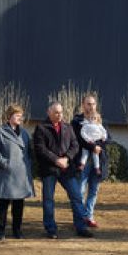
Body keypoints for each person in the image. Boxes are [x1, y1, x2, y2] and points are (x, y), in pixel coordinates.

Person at [35, 101, 93, 238]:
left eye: (61, 112)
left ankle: (81, 227)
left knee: (77, 197)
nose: (59, 115)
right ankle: (51, 229)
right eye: (56, 112)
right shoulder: (41, 128)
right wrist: (56, 160)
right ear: (49, 112)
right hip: (49, 169)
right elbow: (40, 149)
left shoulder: (68, 127)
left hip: (67, 169)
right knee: (48, 200)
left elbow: (75, 145)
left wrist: (66, 158)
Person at [0, 104, 35, 240]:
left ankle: (17, 230)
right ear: (9, 117)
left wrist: (28, 165)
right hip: (6, 173)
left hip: (21, 173)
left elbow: (29, 151)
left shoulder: (25, 133)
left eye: (21, 115)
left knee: (18, 204)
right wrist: (4, 163)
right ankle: (0, 231)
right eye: (17, 115)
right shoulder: (0, 132)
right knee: (3, 202)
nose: (20, 118)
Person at [71, 93, 109, 229]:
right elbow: (77, 139)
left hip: (98, 160)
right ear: (83, 105)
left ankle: (89, 216)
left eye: (93, 104)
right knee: (80, 191)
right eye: (88, 103)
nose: (91, 106)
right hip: (83, 160)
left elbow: (107, 138)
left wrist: (98, 146)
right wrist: (93, 147)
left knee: (93, 191)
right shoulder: (76, 121)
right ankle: (79, 218)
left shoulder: (99, 119)